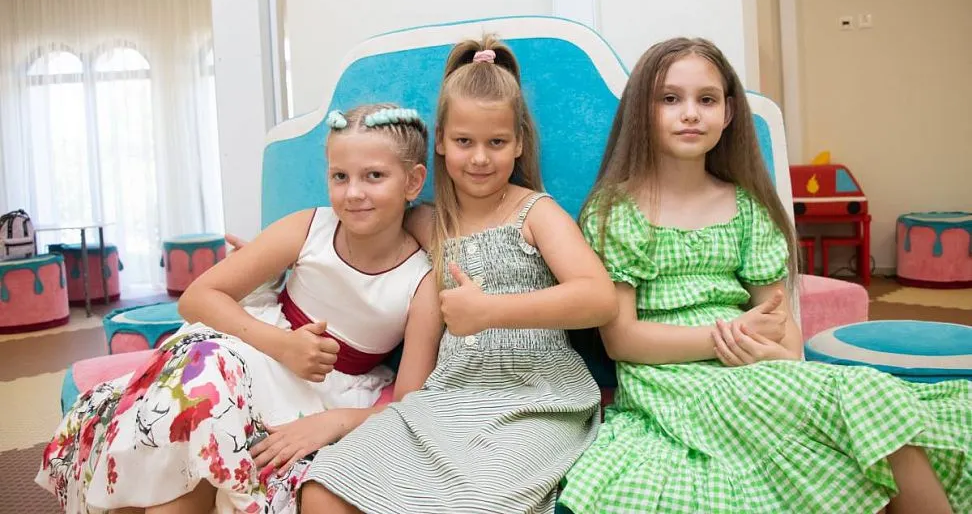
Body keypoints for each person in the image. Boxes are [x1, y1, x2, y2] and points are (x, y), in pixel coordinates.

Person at [558, 37, 971, 514]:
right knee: (865, 402)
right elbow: (623, 340)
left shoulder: (748, 208)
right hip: (671, 383)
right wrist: (728, 337)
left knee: (875, 406)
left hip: (753, 366)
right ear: (641, 112)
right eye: (670, 98)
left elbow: (780, 322)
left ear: (728, 113)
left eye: (706, 100)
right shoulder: (615, 210)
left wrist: (778, 354)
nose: (690, 113)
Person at [37, 103, 442, 514]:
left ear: (413, 182)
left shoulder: (421, 282)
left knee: (215, 465)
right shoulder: (310, 227)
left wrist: (331, 422)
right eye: (340, 176)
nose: (353, 193)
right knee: (204, 373)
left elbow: (408, 403)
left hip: (322, 391)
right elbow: (197, 298)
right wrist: (282, 345)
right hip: (260, 348)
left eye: (374, 176)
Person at [299, 35, 618, 514]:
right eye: (464, 142)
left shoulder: (536, 212)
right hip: (448, 398)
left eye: (497, 142)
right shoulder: (426, 222)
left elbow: (599, 299)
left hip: (535, 398)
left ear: (519, 143)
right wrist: (278, 268)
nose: (480, 158)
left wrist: (491, 311)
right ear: (443, 142)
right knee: (324, 487)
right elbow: (359, 230)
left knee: (476, 503)